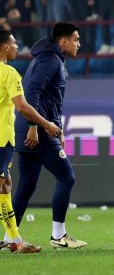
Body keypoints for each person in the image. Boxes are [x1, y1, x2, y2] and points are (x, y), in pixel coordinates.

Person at [11, 23, 84, 249]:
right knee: (66, 177)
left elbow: (50, 100)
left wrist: (58, 129)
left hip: (28, 127)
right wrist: (34, 125)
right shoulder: (50, 61)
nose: (79, 44)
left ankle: (8, 238)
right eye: (76, 39)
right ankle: (58, 235)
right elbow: (32, 92)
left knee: (26, 185)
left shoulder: (48, 59)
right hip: (37, 129)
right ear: (63, 41)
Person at [0, 30, 62, 253]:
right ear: (5, 46)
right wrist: (46, 124)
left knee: (5, 185)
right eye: (14, 43)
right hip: (1, 139)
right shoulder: (9, 73)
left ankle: (15, 240)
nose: (17, 47)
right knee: (2, 185)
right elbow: (22, 107)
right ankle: (15, 240)